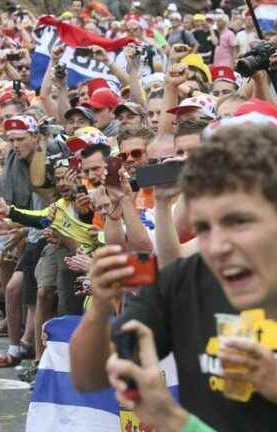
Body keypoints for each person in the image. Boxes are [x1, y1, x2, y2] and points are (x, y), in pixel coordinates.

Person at [70, 125, 277, 430]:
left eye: (238, 222)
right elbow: (89, 378)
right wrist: (100, 309)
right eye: (204, 228)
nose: (217, 247)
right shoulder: (183, 281)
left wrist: (175, 421)